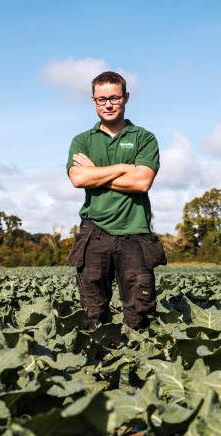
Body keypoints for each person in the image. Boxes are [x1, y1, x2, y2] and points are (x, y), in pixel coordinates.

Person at [65, 71, 167, 331]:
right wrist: (124, 167)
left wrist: (95, 173)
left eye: (114, 97)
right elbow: (77, 178)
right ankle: (98, 368)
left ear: (126, 98)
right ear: (93, 101)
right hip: (94, 233)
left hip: (135, 233)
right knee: (93, 311)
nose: (108, 104)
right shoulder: (82, 140)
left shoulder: (143, 138)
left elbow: (141, 182)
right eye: (101, 99)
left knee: (139, 314)